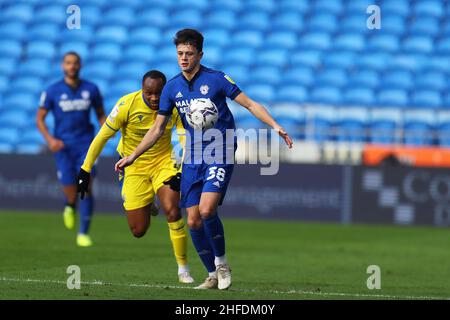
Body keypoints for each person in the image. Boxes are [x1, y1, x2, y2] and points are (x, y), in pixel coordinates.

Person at [115, 29, 293, 290]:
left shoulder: (217, 79)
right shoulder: (171, 88)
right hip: (192, 158)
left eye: (189, 53)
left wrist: (275, 125)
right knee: (193, 221)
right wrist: (132, 156)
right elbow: (156, 129)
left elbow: (251, 104)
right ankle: (211, 274)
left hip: (219, 151)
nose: (183, 58)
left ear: (200, 54)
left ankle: (221, 263)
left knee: (207, 210)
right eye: (180, 54)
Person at [77, 70, 194, 284]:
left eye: (158, 93)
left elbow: (184, 136)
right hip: (133, 165)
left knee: (173, 210)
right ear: (142, 90)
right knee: (138, 230)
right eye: (149, 93)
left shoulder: (174, 105)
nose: (154, 98)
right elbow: (103, 136)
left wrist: (182, 169)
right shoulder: (126, 105)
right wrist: (85, 169)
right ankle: (148, 201)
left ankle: (183, 269)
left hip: (163, 162)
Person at [36, 51, 106, 247]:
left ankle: (83, 233)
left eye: (75, 63)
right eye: (68, 63)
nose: (72, 66)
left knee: (86, 186)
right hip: (63, 146)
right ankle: (69, 205)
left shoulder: (91, 89)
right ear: (62, 66)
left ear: (80, 65)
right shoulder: (52, 91)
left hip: (86, 145)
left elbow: (101, 116)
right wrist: (50, 139)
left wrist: (109, 132)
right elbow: (39, 118)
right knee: (70, 190)